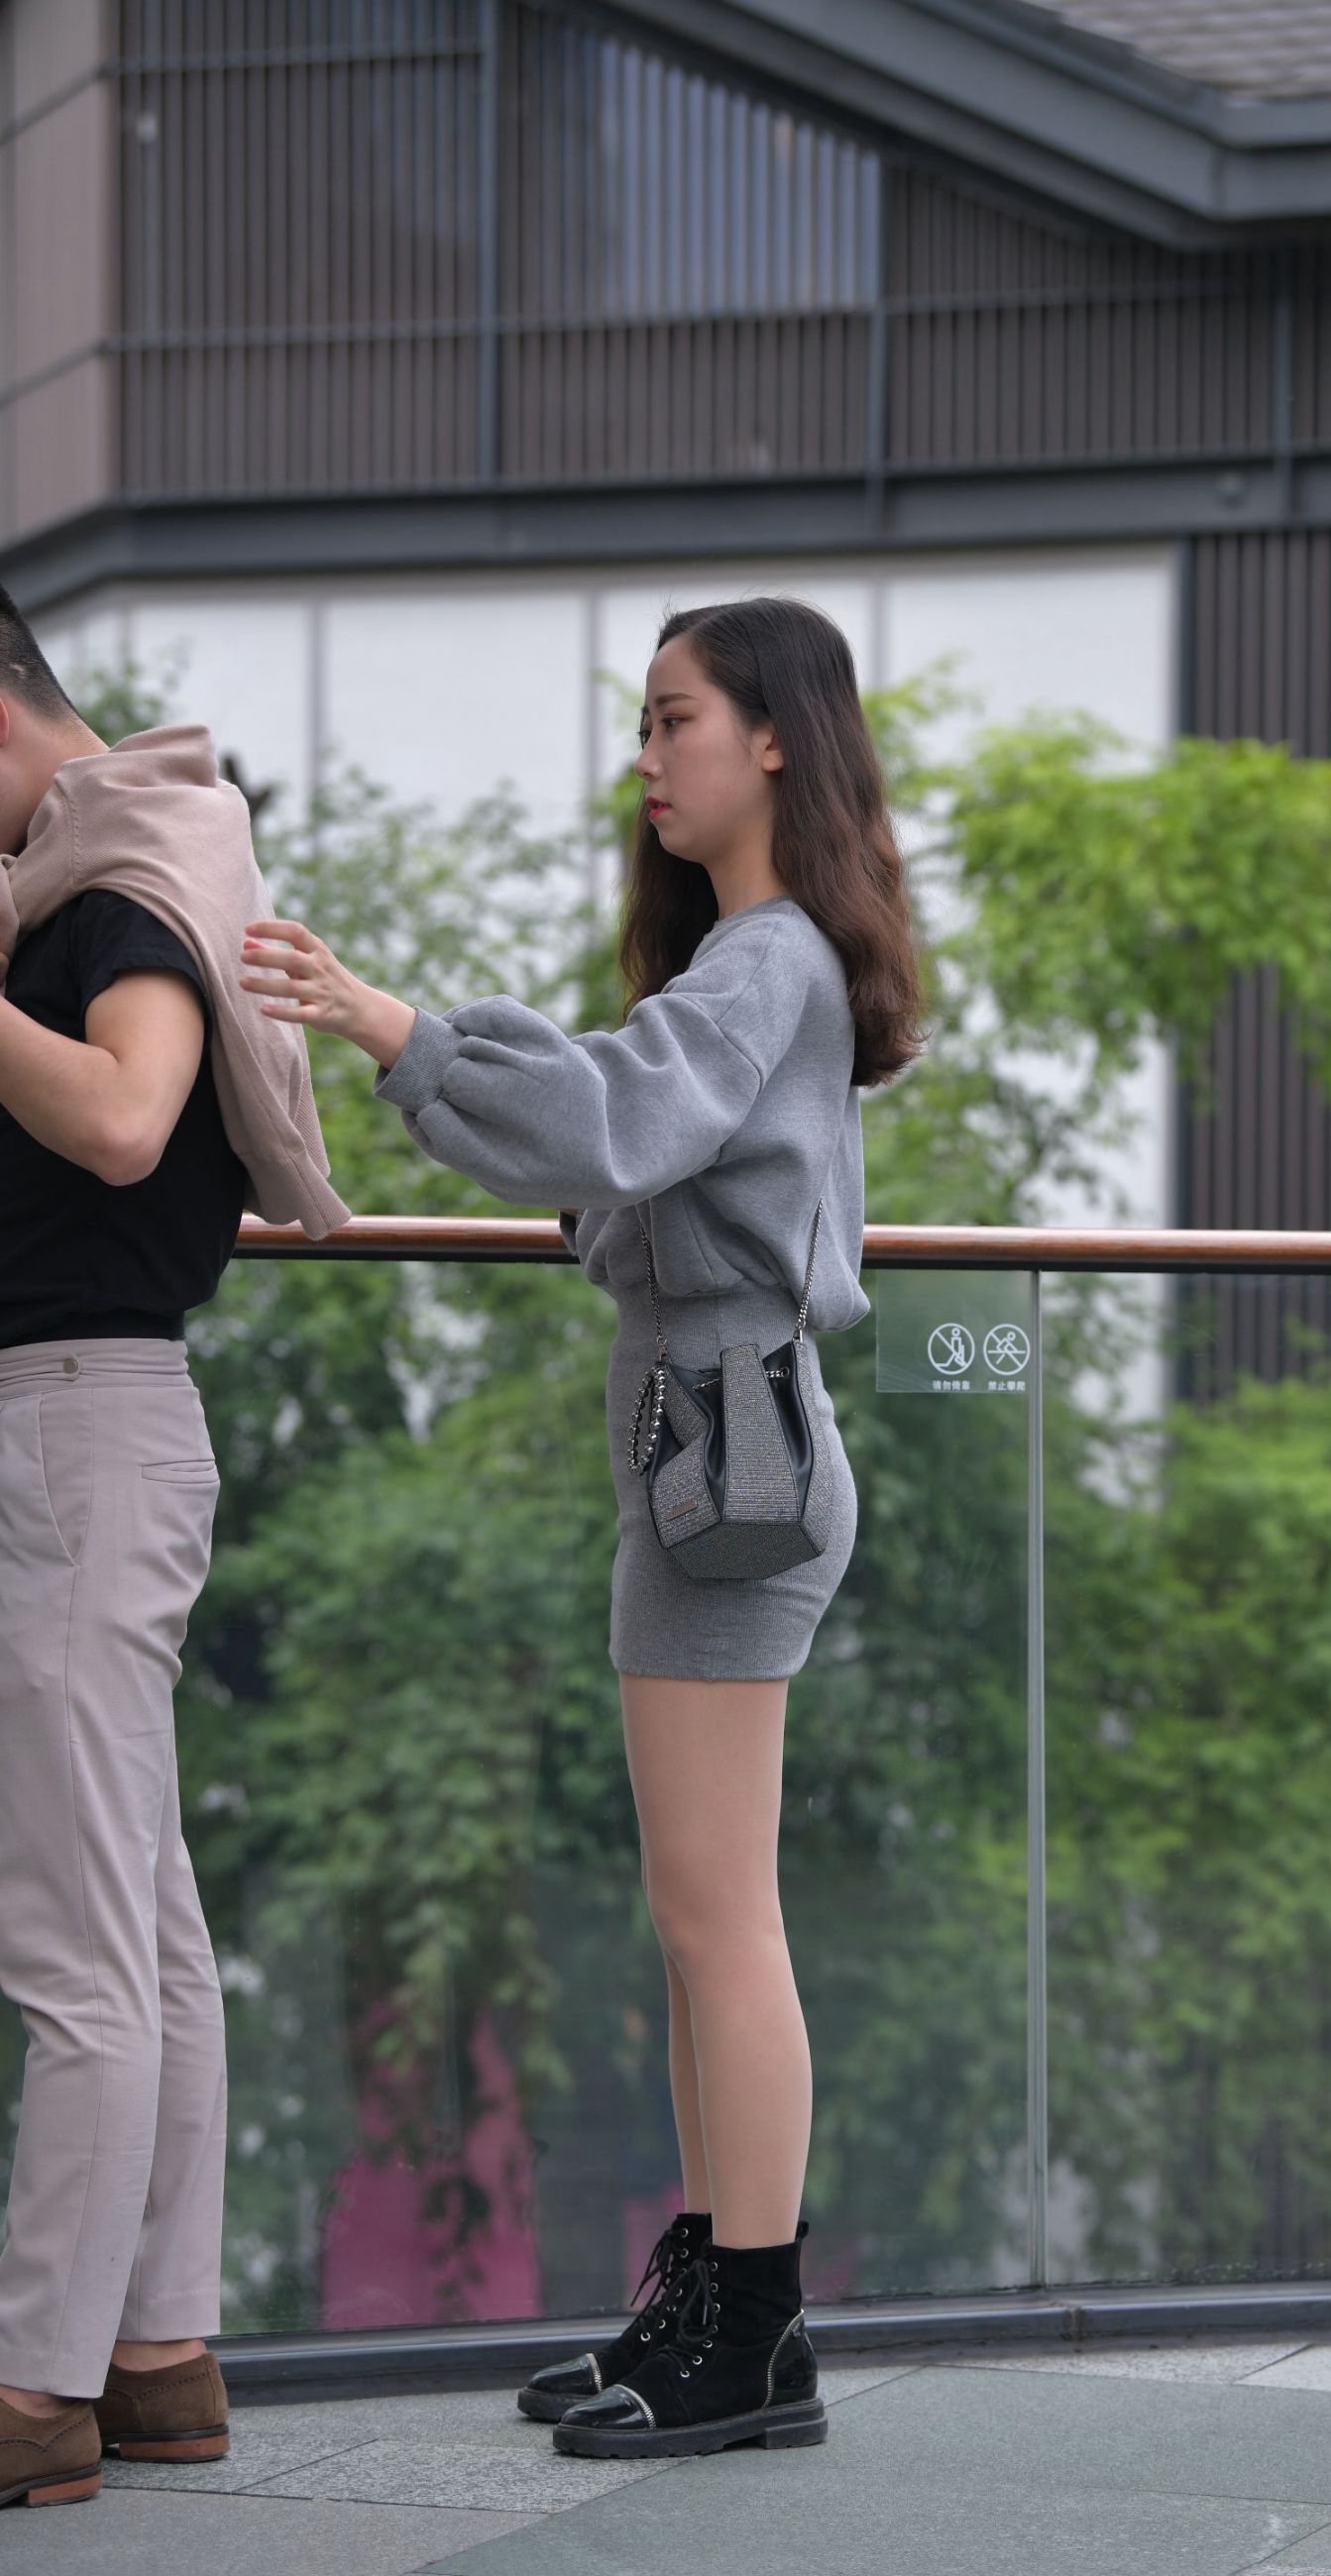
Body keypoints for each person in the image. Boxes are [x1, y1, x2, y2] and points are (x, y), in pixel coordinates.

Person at [238, 594, 924, 2461]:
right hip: (709, 1459)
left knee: (720, 1918)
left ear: (773, 736)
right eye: (644, 723)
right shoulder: (750, 962)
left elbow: (611, 1124)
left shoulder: (768, 961)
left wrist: (390, 1025)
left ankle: (753, 2330)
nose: (647, 757)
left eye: (672, 719)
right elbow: (621, 1149)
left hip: (731, 1466)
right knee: (696, 1916)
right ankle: (714, 2297)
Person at [0, 588, 344, 2513]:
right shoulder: (109, 880)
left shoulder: (117, 896)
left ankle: (37, 2384)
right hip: (97, 1428)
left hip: (71, 1430)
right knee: (140, 1924)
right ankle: (156, 2356)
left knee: (76, 1944)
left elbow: (129, 1121)